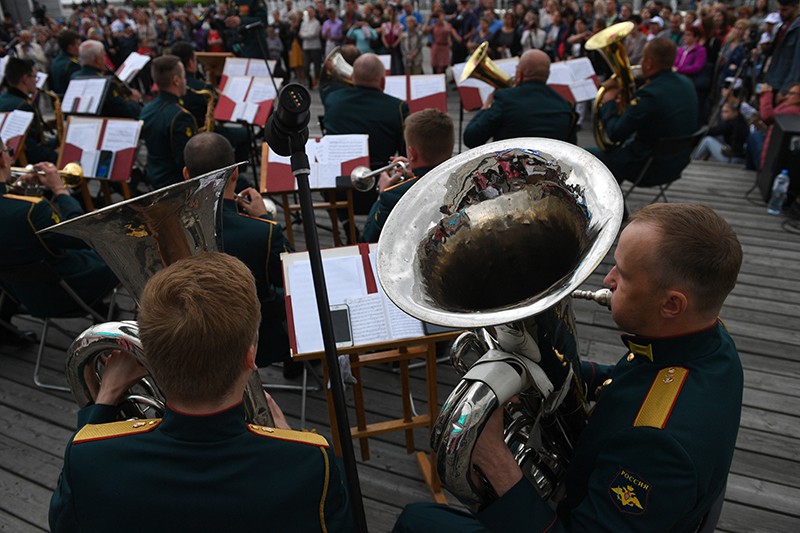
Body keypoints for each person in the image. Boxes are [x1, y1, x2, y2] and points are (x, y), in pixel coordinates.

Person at [394, 202, 744, 532]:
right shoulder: (708, 343)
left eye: (623, 274)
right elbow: (634, 382)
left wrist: (495, 459)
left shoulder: (657, 447)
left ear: (671, 304)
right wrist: (544, 369)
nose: (607, 280)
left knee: (416, 519)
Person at [48, 252, 352, 532]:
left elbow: (65, 525)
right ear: (250, 357)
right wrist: (289, 440)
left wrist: (106, 397)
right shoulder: (310, 461)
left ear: (149, 358)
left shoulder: (88, 456)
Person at [182, 132, 292, 368]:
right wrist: (263, 217)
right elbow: (293, 275)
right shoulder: (263, 232)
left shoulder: (172, 232)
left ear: (186, 174)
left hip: (195, 342)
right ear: (235, 173)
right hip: (260, 343)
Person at [0, 139, 117, 316]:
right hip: (66, 292)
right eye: (8, 151)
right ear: (2, 158)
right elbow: (83, 236)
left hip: (23, 296)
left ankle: (101, 312)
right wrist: (60, 189)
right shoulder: (33, 210)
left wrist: (17, 194)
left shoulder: (24, 207)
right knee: (117, 251)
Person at [587, 38, 697, 187]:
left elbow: (615, 134)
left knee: (587, 154)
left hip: (649, 168)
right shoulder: (686, 83)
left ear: (649, 63)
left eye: (643, 58)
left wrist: (609, 103)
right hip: (677, 163)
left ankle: (608, 204)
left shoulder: (649, 95)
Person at [323, 53, 409, 215]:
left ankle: (347, 224)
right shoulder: (397, 107)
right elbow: (404, 154)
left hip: (339, 188)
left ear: (352, 77)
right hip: (379, 188)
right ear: (383, 82)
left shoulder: (332, 100)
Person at [362, 109, 454, 243]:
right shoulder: (466, 181)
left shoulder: (392, 196)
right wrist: (415, 174)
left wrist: (380, 195)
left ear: (411, 153)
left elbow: (368, 238)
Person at [463, 49, 575, 148]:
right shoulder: (565, 105)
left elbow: (471, 139)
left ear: (520, 73)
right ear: (548, 74)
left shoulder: (504, 99)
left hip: (510, 170)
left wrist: (486, 106)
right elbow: (572, 148)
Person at [170, 42, 251, 168]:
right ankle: (237, 171)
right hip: (207, 136)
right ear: (191, 63)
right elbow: (222, 113)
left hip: (186, 139)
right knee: (245, 134)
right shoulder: (203, 88)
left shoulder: (170, 87)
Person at [140, 55, 197, 191]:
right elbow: (185, 161)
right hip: (175, 184)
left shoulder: (147, 109)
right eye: (183, 76)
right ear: (176, 80)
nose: (185, 81)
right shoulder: (181, 116)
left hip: (154, 175)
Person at [0, 58, 57, 164]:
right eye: (34, 77)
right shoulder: (23, 106)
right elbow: (31, 151)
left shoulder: (2, 98)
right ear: (25, 79)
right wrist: (57, 155)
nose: (36, 81)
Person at [71, 40, 142, 119]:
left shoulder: (74, 77)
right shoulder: (105, 81)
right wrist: (134, 101)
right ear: (97, 60)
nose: (105, 59)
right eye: (103, 55)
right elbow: (126, 111)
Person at [50, 29, 81, 96]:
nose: (80, 47)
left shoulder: (55, 61)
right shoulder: (72, 65)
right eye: (78, 44)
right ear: (70, 47)